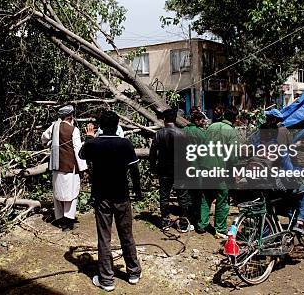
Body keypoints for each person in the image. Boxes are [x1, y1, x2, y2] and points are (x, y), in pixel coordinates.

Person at [79, 110, 142, 292]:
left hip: (102, 198)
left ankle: (106, 280)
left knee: (104, 237)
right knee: (126, 234)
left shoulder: (94, 144)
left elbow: (82, 154)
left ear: (100, 126)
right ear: (117, 125)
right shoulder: (125, 143)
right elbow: (135, 170)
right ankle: (133, 272)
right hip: (122, 196)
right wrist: (137, 191)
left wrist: (89, 137)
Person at [41, 105, 88, 231]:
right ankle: (68, 221)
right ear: (71, 116)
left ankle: (60, 219)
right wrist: (83, 168)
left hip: (56, 166)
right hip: (69, 167)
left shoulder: (54, 126)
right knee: (71, 194)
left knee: (58, 193)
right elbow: (78, 150)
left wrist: (48, 144)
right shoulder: (74, 130)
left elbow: (44, 137)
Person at [150, 108, 192, 231]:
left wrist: (153, 168)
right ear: (175, 119)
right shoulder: (183, 134)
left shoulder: (158, 134)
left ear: (164, 120)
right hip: (180, 169)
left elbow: (152, 154)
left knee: (164, 196)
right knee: (183, 197)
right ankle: (184, 224)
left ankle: (165, 222)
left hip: (163, 169)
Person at [202, 106, 238, 239]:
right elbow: (233, 156)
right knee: (222, 199)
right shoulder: (231, 131)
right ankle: (220, 229)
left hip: (206, 167)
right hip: (220, 169)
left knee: (206, 197)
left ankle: (202, 225)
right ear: (234, 118)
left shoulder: (211, 126)